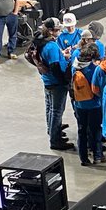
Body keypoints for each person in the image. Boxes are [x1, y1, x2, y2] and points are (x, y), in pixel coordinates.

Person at [33, 18, 74, 151]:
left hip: (47, 80)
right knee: (56, 111)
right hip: (56, 83)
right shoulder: (51, 46)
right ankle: (55, 140)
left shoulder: (42, 41)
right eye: (57, 30)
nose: (59, 32)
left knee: (50, 108)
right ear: (50, 31)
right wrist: (64, 81)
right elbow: (55, 66)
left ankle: (52, 131)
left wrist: (62, 55)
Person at [70, 37, 104, 165]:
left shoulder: (75, 66)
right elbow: (97, 88)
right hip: (94, 104)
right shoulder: (94, 70)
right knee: (95, 130)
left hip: (79, 104)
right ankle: (98, 155)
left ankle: (83, 158)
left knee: (82, 131)